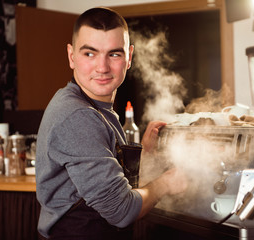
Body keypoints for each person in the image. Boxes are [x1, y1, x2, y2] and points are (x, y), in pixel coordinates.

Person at [35, 7, 187, 240]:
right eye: (90, 54)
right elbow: (121, 210)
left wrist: (144, 154)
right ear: (71, 56)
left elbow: (111, 180)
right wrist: (166, 183)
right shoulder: (78, 116)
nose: (102, 67)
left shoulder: (98, 108)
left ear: (129, 57)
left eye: (114, 54)